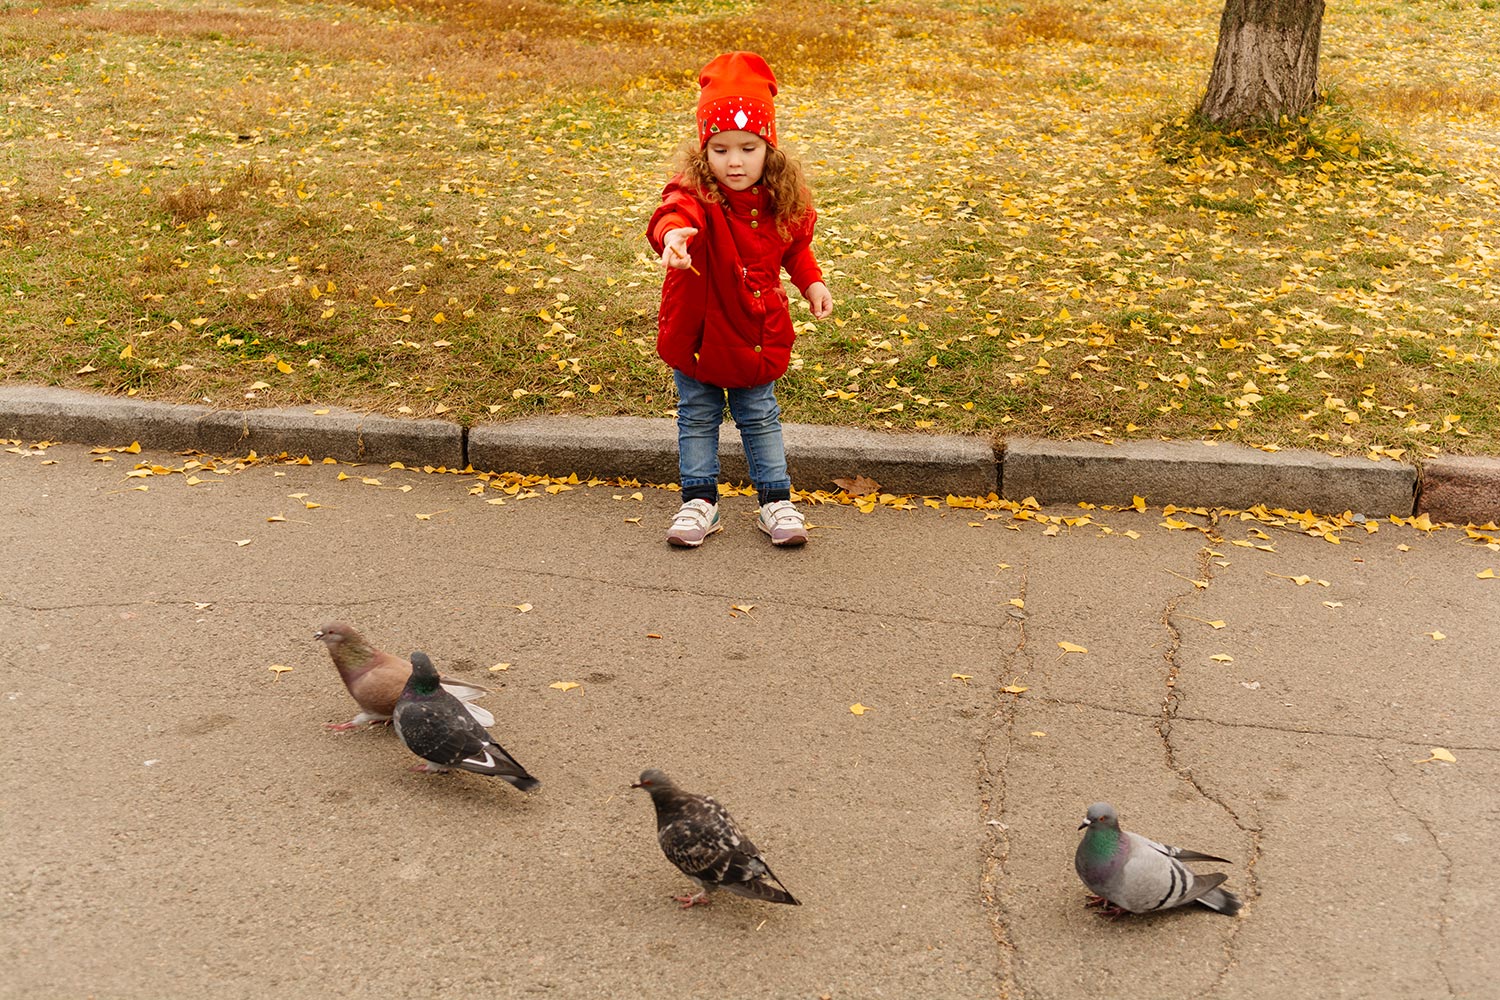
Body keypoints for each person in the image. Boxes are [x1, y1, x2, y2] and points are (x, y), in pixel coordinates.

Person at [647, 51, 834, 548]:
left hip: (755, 329)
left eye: (747, 148)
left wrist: (811, 282)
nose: (734, 161)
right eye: (720, 149)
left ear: (767, 148)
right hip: (699, 331)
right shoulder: (697, 196)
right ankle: (699, 502)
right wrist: (673, 238)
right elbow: (673, 210)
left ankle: (775, 500)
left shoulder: (782, 202)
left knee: (759, 414)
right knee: (698, 414)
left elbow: (795, 247)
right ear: (703, 154)